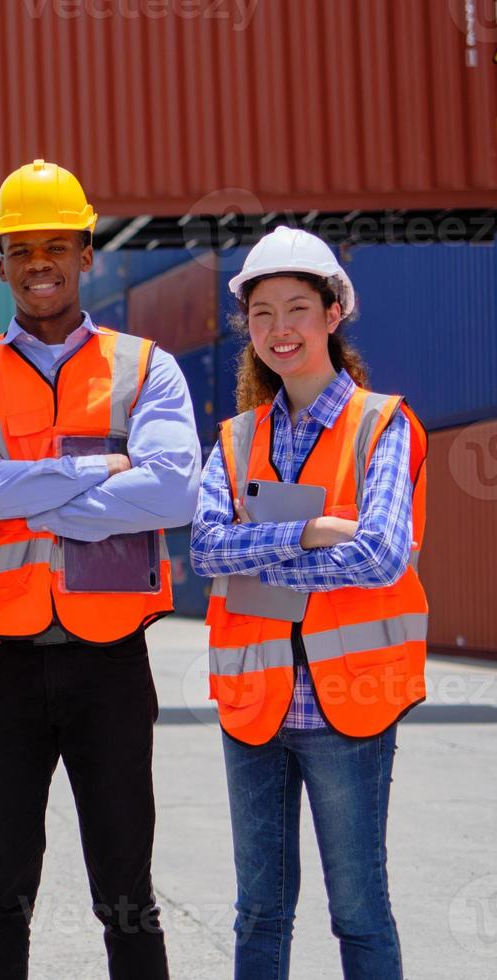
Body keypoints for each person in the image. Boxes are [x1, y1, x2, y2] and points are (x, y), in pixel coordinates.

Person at [0, 159, 201, 979]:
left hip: (111, 656)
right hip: (0, 662)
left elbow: (174, 492)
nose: (38, 261)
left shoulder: (146, 366)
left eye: (56, 244)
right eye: (21, 247)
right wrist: (102, 473)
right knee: (0, 889)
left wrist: (25, 490)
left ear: (88, 253)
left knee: (126, 891)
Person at [191, 226, 425, 980]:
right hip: (254, 702)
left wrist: (264, 547)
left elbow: (382, 554)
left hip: (348, 708)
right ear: (247, 327)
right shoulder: (233, 439)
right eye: (262, 313)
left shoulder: (382, 425)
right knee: (259, 913)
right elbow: (204, 551)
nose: (279, 329)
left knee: (358, 914)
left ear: (333, 315)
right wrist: (312, 532)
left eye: (297, 308)